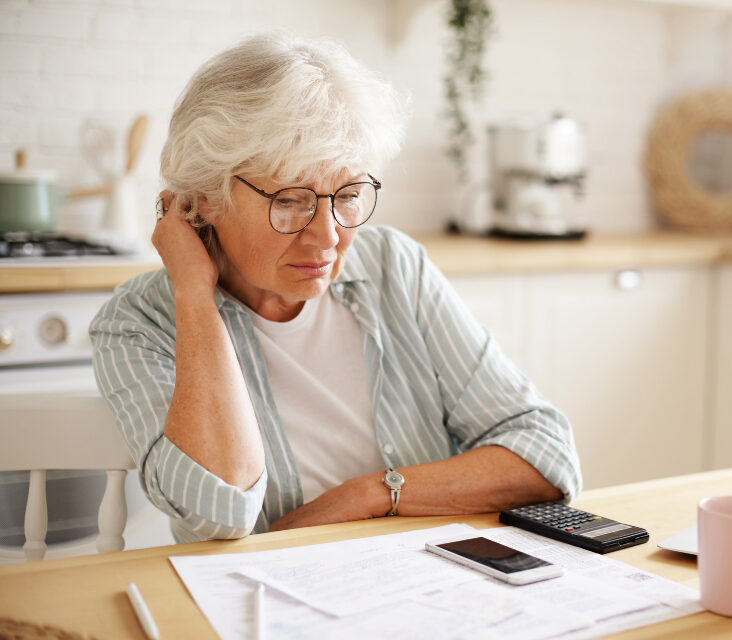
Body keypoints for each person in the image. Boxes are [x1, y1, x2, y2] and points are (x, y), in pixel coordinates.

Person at [89, 32, 581, 543]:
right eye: (290, 200)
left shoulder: (393, 266)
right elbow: (219, 511)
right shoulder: (138, 321)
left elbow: (546, 456)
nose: (328, 236)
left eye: (347, 195)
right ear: (205, 197)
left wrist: (366, 497)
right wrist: (193, 293)